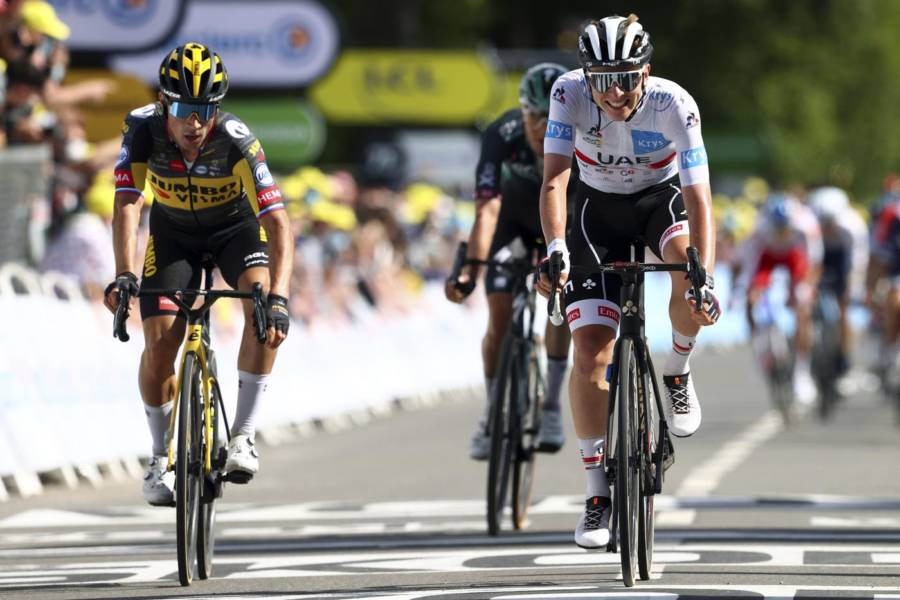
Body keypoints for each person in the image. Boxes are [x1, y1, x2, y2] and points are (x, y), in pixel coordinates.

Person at [536, 15, 720, 549]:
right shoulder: (567, 92)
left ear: (646, 71)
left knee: (687, 274)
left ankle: (676, 371)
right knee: (590, 354)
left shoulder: (674, 104)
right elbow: (555, 180)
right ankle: (597, 493)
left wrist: (703, 275)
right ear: (585, 76)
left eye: (624, 78)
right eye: (601, 80)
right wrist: (555, 249)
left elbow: (699, 196)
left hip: (660, 202)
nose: (613, 93)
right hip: (596, 211)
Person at [103, 43, 293, 506]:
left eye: (206, 110)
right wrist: (124, 273)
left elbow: (278, 222)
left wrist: (280, 297)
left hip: (235, 231)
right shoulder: (142, 128)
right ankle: (160, 456)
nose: (195, 123)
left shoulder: (237, 140)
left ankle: (243, 435)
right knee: (159, 345)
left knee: (262, 311)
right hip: (174, 235)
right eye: (184, 110)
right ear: (164, 103)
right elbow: (128, 202)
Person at [446, 62, 574, 459]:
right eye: (532, 116)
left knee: (561, 305)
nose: (540, 127)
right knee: (498, 318)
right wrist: (470, 269)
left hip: (562, 226)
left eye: (550, 118)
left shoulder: (584, 134)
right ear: (521, 112)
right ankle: (492, 412)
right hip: (512, 224)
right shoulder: (501, 133)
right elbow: (487, 210)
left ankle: (551, 406)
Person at [739, 193, 822, 404]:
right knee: (750, 301)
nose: (781, 232)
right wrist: (752, 290)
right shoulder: (760, 228)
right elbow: (751, 264)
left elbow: (814, 262)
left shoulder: (805, 226)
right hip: (768, 260)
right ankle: (759, 348)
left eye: (784, 228)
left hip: (795, 258)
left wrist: (805, 289)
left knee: (802, 308)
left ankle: (802, 372)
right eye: (777, 228)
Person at [807, 186, 868, 385]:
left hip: (843, 260)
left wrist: (853, 288)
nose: (826, 227)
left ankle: (843, 357)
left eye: (829, 222)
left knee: (844, 309)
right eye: (822, 222)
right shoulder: (811, 224)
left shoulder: (853, 225)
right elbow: (809, 260)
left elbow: (857, 262)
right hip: (821, 257)